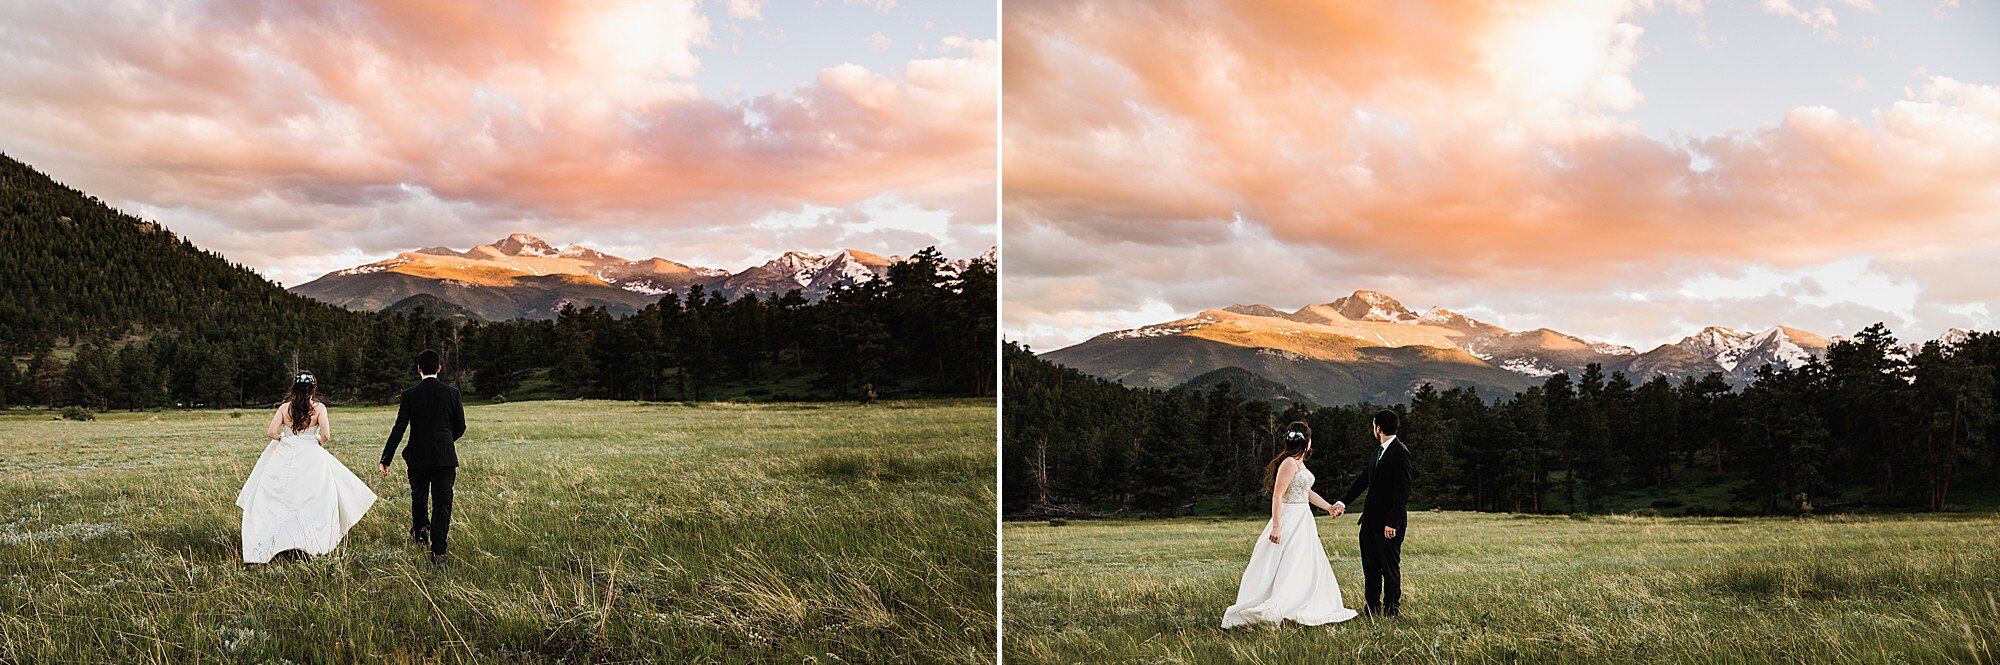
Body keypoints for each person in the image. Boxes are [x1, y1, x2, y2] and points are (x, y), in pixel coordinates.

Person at [1221, 422, 1359, 627]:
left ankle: (1301, 605)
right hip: (1290, 517)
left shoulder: (1299, 463)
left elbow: (1306, 492)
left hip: (1303, 518)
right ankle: (1279, 607)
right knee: (1288, 562)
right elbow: (1277, 495)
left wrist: (1328, 507)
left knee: (1303, 563)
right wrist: (1276, 526)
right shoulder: (1289, 463)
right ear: (1307, 441)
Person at [237, 372, 376, 563]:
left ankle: (272, 543)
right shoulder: (319, 408)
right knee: (313, 498)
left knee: (278, 498)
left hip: (285, 452)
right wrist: (314, 443)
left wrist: (284, 440)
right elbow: (326, 435)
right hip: (311, 453)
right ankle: (311, 543)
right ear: (313, 388)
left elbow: (271, 432)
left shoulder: (284, 408)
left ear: (294, 388)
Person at [379, 349, 466, 567]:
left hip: (417, 456)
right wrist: (446, 441)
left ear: (419, 369)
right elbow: (461, 426)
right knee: (442, 503)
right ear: (439, 368)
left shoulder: (410, 394)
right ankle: (439, 552)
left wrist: (386, 458)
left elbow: (399, 428)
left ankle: (420, 537)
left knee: (418, 498)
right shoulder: (452, 393)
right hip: (445, 457)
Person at [1331, 409, 1413, 617]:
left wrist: (1392, 523)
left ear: (1378, 428)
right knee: (1371, 567)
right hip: (1369, 522)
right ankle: (1372, 608)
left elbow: (1402, 492)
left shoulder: (1400, 452)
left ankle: (1391, 610)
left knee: (1389, 568)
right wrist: (1342, 502)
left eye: (1373, 425)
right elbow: (1363, 480)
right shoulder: (1377, 452)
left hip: (1388, 524)